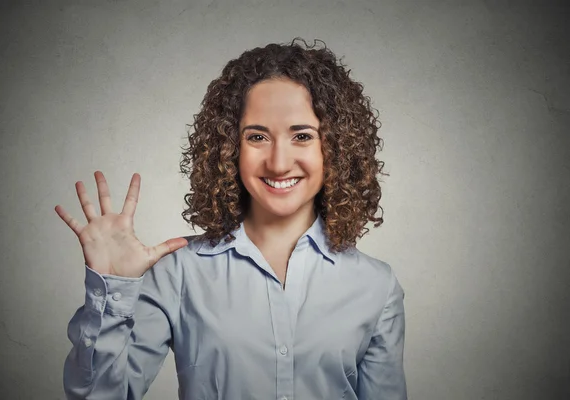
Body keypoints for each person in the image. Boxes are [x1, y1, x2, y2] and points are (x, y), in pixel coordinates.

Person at [56, 37, 407, 400]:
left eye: (302, 136)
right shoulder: (178, 272)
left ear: (334, 147)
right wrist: (112, 287)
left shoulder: (376, 286)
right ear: (229, 148)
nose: (279, 162)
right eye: (257, 137)